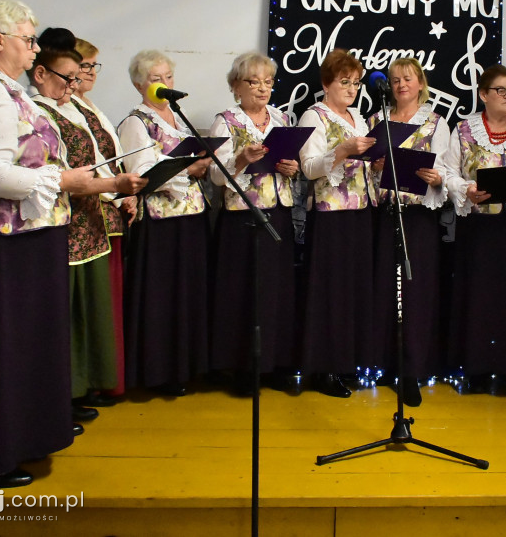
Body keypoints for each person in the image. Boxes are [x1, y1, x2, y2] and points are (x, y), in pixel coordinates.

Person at [0, 0, 143, 487]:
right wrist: (63, 181)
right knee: (1, 341)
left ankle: (22, 436)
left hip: (22, 235)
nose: (35, 49)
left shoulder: (5, 89)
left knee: (26, 341)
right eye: (29, 40)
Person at [28, 28, 145, 424]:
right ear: (41, 73)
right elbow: (57, 174)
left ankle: (78, 389)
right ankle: (60, 396)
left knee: (86, 311)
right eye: (68, 77)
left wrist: (118, 190)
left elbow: (99, 157)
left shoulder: (74, 108)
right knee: (67, 314)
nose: (73, 85)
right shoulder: (36, 110)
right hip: (62, 224)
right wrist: (113, 186)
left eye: (78, 77)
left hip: (89, 221)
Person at [118, 50, 213, 397]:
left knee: (187, 293)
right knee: (162, 297)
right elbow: (141, 171)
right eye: (156, 79)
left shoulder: (179, 116)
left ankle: (186, 366)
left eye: (168, 77)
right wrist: (188, 169)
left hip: (191, 214)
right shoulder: (135, 122)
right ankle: (158, 371)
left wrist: (200, 162)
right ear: (139, 84)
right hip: (159, 221)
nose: (165, 84)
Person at [442, 64, 506, 393]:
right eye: (501, 90)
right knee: (478, 296)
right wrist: (466, 189)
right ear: (484, 94)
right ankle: (475, 368)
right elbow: (448, 173)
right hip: (479, 227)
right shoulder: (464, 129)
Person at [208, 51, 300, 395]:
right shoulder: (226, 121)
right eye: (253, 82)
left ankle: (275, 365)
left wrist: (292, 168)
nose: (263, 89)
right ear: (236, 86)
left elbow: (292, 164)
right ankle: (244, 368)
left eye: (268, 81)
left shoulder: (282, 118)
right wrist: (240, 159)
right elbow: (216, 176)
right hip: (242, 217)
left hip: (278, 211)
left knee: (277, 290)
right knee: (244, 291)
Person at [368, 58, 449, 407]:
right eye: (395, 79)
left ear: (420, 84)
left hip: (417, 216)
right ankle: (383, 363)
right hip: (383, 215)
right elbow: (364, 172)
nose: (401, 84)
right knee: (384, 289)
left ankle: (411, 370)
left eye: (408, 79)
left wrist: (437, 178)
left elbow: (445, 169)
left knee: (415, 293)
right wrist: (374, 164)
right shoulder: (376, 121)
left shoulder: (435, 123)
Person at [297, 49, 377, 398]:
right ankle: (324, 367)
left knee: (355, 290)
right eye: (345, 82)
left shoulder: (359, 117)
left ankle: (349, 362)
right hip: (330, 214)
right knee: (330, 292)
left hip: (362, 211)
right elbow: (309, 168)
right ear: (326, 83)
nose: (352, 89)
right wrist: (343, 150)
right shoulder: (312, 117)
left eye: (356, 83)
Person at [72, 37, 134, 402]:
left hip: (106, 212)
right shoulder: (59, 108)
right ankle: (83, 383)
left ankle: (100, 377)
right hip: (83, 217)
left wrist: (124, 193)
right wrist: (115, 189)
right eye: (85, 65)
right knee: (85, 305)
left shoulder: (90, 107)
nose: (92, 73)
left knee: (103, 302)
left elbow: (110, 154)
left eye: (95, 66)